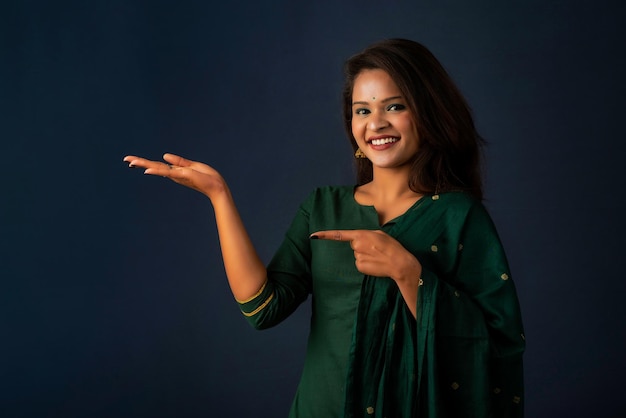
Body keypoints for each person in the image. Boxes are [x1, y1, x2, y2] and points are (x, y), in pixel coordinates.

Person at [124, 38, 525, 417]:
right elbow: (262, 309)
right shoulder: (322, 207)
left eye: (395, 107)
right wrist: (219, 197)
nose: (376, 124)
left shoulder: (459, 216)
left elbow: (497, 344)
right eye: (362, 110)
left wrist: (409, 274)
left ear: (428, 112)